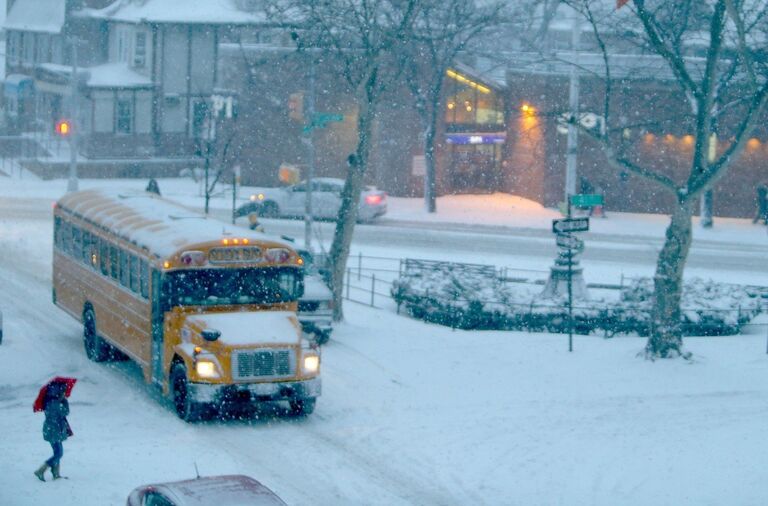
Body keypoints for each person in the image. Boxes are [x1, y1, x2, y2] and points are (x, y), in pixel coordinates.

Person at [34, 382, 72, 481]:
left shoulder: (50, 401)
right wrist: (64, 401)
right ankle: (41, 470)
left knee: (57, 452)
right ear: (58, 391)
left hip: (53, 430)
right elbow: (65, 412)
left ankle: (56, 474)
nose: (64, 393)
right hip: (53, 430)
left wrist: (61, 400)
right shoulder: (54, 403)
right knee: (59, 453)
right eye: (63, 391)